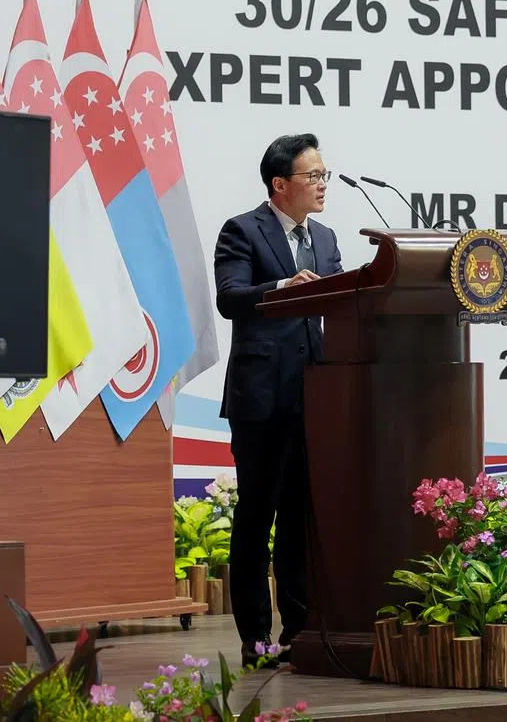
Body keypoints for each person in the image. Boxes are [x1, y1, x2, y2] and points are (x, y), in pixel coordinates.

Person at [213, 133, 343, 668]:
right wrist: (284, 286)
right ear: (280, 183)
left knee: (298, 517)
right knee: (257, 516)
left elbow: (342, 299)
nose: (322, 185)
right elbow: (229, 298)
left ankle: (299, 630)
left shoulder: (328, 237)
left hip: (313, 397)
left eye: (324, 175)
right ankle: (255, 636)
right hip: (261, 400)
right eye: (313, 176)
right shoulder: (243, 230)